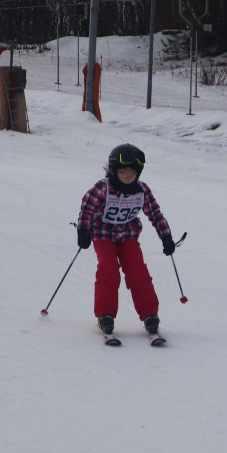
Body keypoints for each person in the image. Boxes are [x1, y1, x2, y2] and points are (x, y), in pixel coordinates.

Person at [76, 143, 176, 342]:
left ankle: (150, 315)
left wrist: (166, 237)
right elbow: (87, 209)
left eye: (132, 172)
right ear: (114, 171)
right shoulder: (102, 188)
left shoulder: (141, 190)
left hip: (128, 235)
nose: (128, 175)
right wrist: (83, 230)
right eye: (123, 171)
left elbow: (155, 214)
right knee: (109, 268)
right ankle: (105, 314)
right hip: (103, 235)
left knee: (138, 270)